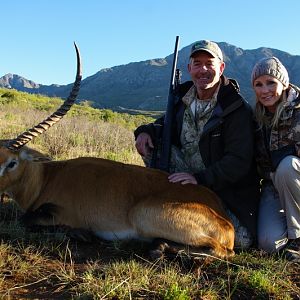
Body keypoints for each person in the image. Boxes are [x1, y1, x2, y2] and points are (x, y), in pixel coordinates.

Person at [134, 40, 260, 249]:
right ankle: (163, 209)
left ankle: (176, 223)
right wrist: (145, 132)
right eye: (197, 63)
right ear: (189, 68)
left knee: (240, 240)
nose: (203, 70)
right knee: (152, 146)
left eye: (209, 64)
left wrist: (199, 179)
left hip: (222, 189)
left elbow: (238, 162)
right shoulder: (182, 99)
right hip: (188, 177)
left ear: (221, 68)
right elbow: (165, 125)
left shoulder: (236, 109)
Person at [252, 56, 300, 261]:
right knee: (268, 243)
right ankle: (288, 233)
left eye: (271, 82)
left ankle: (297, 238)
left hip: (294, 177)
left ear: (284, 83)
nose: (265, 90)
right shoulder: (255, 117)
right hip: (273, 186)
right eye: (258, 84)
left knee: (287, 167)